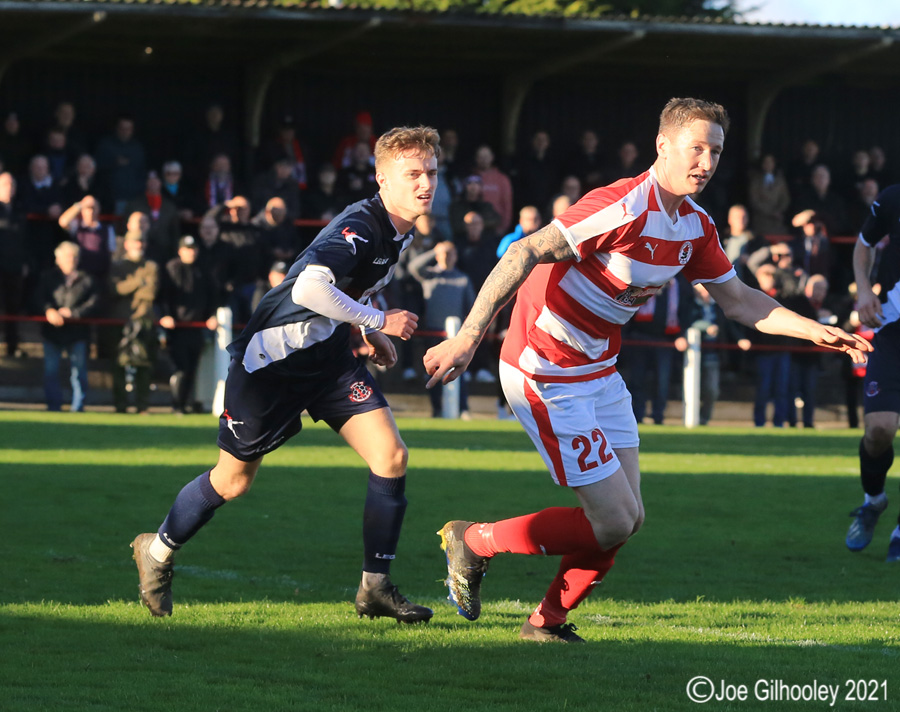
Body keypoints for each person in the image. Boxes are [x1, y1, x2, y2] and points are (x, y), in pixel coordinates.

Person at [423, 98, 870, 643]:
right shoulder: (620, 206)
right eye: (696, 148)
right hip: (543, 367)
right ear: (663, 146)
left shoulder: (696, 226)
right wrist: (469, 335)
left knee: (628, 520)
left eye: (716, 152)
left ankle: (545, 624)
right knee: (611, 519)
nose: (706, 162)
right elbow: (522, 254)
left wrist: (815, 330)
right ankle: (475, 541)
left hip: (600, 371)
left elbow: (741, 302)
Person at [130, 126, 440, 624]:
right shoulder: (361, 225)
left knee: (391, 455)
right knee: (232, 482)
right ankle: (158, 550)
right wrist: (379, 320)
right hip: (272, 365)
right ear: (382, 179)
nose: (425, 183)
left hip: (330, 360)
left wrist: (365, 327)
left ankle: (375, 588)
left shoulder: (397, 230)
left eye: (431, 172)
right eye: (412, 174)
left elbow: (345, 292)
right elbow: (308, 292)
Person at [845, 182, 900, 561]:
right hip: (894, 326)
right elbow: (863, 244)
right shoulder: (894, 198)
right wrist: (865, 290)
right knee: (879, 428)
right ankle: (873, 500)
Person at [408, 240, 475, 418]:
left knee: (458, 372)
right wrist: (434, 251)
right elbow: (413, 267)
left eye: (450, 253)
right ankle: (436, 409)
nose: (446, 257)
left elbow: (472, 306)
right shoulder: (429, 275)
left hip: (455, 336)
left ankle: (463, 409)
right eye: (443, 253)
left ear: (456, 256)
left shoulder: (462, 278)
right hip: (433, 331)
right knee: (434, 373)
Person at [159, 236, 219, 414]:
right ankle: (177, 405)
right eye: (187, 249)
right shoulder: (171, 269)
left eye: (193, 249)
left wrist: (212, 316)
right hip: (176, 329)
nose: (190, 252)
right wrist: (165, 316)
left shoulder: (203, 270)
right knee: (181, 368)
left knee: (192, 368)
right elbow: (163, 296)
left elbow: (212, 296)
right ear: (180, 251)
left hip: (196, 327)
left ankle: (184, 404)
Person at [38, 241, 99, 411]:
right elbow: (37, 299)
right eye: (66, 257)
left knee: (79, 372)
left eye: (74, 257)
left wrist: (74, 313)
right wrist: (49, 310)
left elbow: (94, 303)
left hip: (77, 332)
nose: (70, 260)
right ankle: (53, 406)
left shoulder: (87, 279)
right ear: (58, 259)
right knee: (51, 371)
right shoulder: (48, 278)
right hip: (52, 332)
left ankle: (78, 407)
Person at [108, 230, 160, 414]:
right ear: (127, 244)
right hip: (121, 321)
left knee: (144, 365)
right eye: (134, 243)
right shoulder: (117, 265)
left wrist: (130, 286)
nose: (138, 246)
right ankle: (120, 406)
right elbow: (116, 289)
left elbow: (150, 293)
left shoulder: (151, 266)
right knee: (119, 364)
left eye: (141, 242)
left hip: (144, 320)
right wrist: (139, 282)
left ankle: (142, 406)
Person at [0, 172, 26, 358]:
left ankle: (12, 346)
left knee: (13, 308)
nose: (9, 189)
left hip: (14, 267)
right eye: (5, 185)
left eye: (12, 185)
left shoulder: (19, 210)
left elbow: (25, 239)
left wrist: (25, 262)